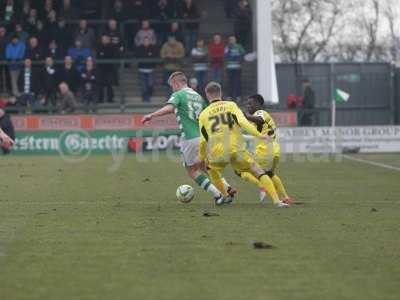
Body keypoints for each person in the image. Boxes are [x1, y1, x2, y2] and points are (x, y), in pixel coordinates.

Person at [141, 72, 236, 205]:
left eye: (172, 86)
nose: (172, 89)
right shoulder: (198, 97)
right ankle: (226, 188)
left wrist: (152, 115)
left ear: (176, 82)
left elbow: (169, 108)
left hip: (190, 138)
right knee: (207, 167)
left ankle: (218, 195)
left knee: (192, 171)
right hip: (204, 138)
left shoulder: (178, 94)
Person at [198, 82, 289, 208]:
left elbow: (203, 140)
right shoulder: (231, 105)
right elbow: (243, 122)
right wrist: (259, 135)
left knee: (211, 170)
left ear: (207, 95)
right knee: (258, 171)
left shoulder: (203, 114)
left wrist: (201, 157)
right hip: (237, 149)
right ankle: (277, 201)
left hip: (218, 152)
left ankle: (225, 196)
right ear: (221, 93)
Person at [242, 94, 293, 204]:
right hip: (274, 150)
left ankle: (263, 187)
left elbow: (259, 120)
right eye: (247, 103)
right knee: (270, 174)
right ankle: (285, 197)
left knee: (242, 170)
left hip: (265, 150)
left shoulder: (261, 113)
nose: (248, 105)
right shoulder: (254, 118)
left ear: (258, 104)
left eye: (250, 103)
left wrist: (245, 115)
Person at [136, 36, 157, 102]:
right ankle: (145, 98)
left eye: (147, 41)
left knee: (150, 84)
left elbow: (154, 56)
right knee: (144, 86)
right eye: (145, 41)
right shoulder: (139, 48)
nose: (146, 42)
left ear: (149, 41)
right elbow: (137, 56)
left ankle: (149, 95)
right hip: (141, 69)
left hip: (150, 69)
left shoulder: (153, 48)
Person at [224, 35, 245, 101]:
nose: (232, 41)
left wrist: (237, 58)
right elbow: (225, 55)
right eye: (230, 39)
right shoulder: (227, 47)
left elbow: (243, 54)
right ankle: (230, 96)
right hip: (229, 67)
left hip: (237, 67)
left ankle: (238, 96)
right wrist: (233, 56)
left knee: (237, 82)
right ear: (229, 41)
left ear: (235, 40)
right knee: (230, 82)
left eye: (233, 39)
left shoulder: (239, 46)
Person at [97, 35, 117, 103]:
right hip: (101, 69)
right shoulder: (99, 47)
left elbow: (113, 56)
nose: (104, 40)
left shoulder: (112, 47)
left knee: (109, 84)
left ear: (108, 40)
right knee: (100, 85)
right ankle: (100, 99)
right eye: (103, 39)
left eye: (105, 39)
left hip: (109, 69)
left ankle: (110, 99)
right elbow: (98, 57)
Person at [0, 26, 11, 94]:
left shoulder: (7, 39)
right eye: (0, 31)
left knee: (6, 76)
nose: (1, 32)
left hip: (6, 60)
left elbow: (8, 50)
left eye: (2, 31)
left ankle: (6, 89)